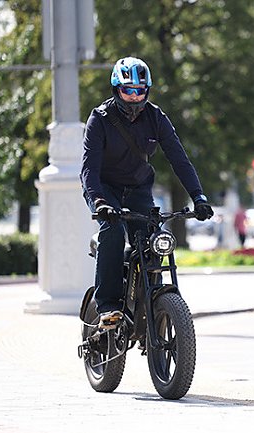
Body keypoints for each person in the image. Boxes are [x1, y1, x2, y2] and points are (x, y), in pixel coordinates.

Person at [80, 56, 213, 330]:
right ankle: (108, 306)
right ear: (116, 89)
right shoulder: (100, 119)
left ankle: (152, 301)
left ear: (147, 90)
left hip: (139, 189)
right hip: (106, 190)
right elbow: (89, 170)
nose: (134, 97)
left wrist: (198, 197)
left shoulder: (156, 117)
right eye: (128, 91)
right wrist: (99, 202)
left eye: (139, 91)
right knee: (114, 233)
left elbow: (179, 159)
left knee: (152, 241)